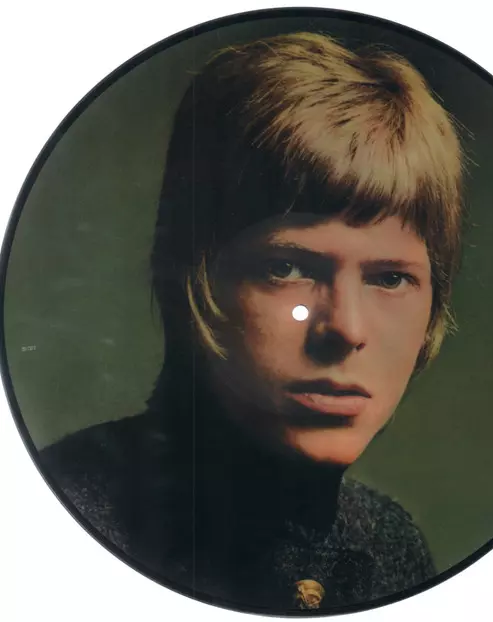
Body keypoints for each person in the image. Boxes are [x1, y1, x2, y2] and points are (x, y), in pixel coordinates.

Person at [40, 31, 464, 613]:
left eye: (390, 278)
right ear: (185, 274)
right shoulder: (57, 518)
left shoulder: (391, 543)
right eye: (286, 268)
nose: (346, 328)